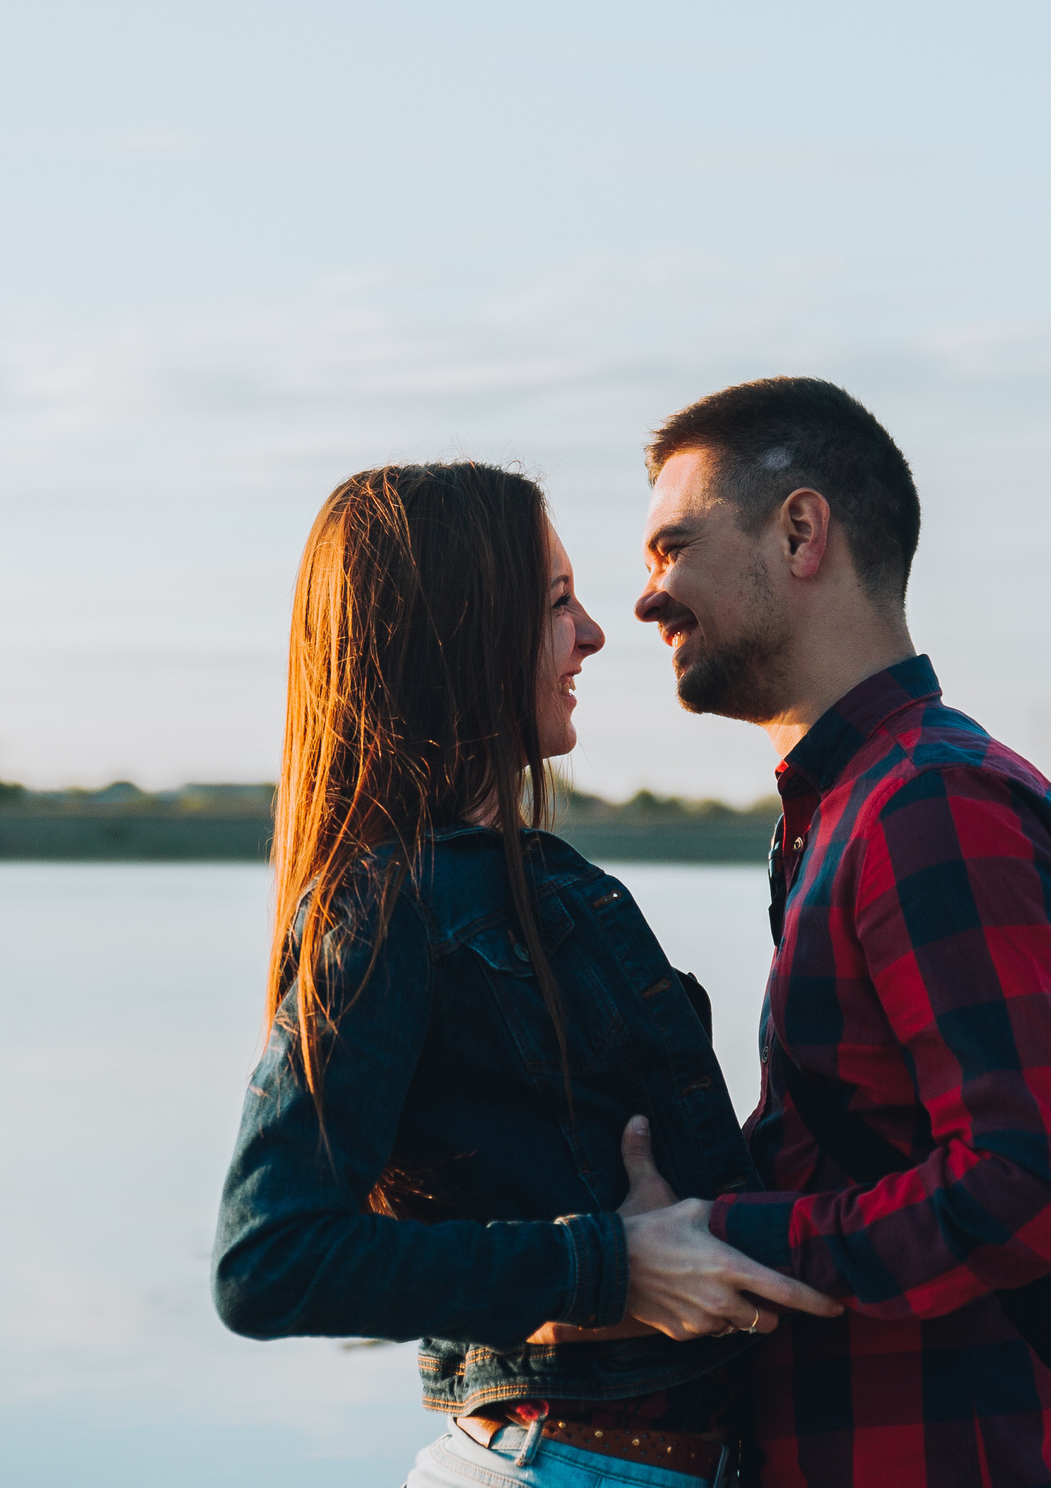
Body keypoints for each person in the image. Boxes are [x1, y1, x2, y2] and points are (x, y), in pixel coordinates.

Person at [212, 461, 842, 1488]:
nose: (594, 633)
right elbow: (268, 1262)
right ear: (459, 633)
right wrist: (608, 1263)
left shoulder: (528, 881)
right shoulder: (391, 904)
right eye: (555, 604)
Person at [619, 378, 1051, 1488]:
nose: (647, 599)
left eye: (673, 547)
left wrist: (725, 1238)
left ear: (800, 531)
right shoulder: (856, 803)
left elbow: (1046, 1181)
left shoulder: (930, 804)